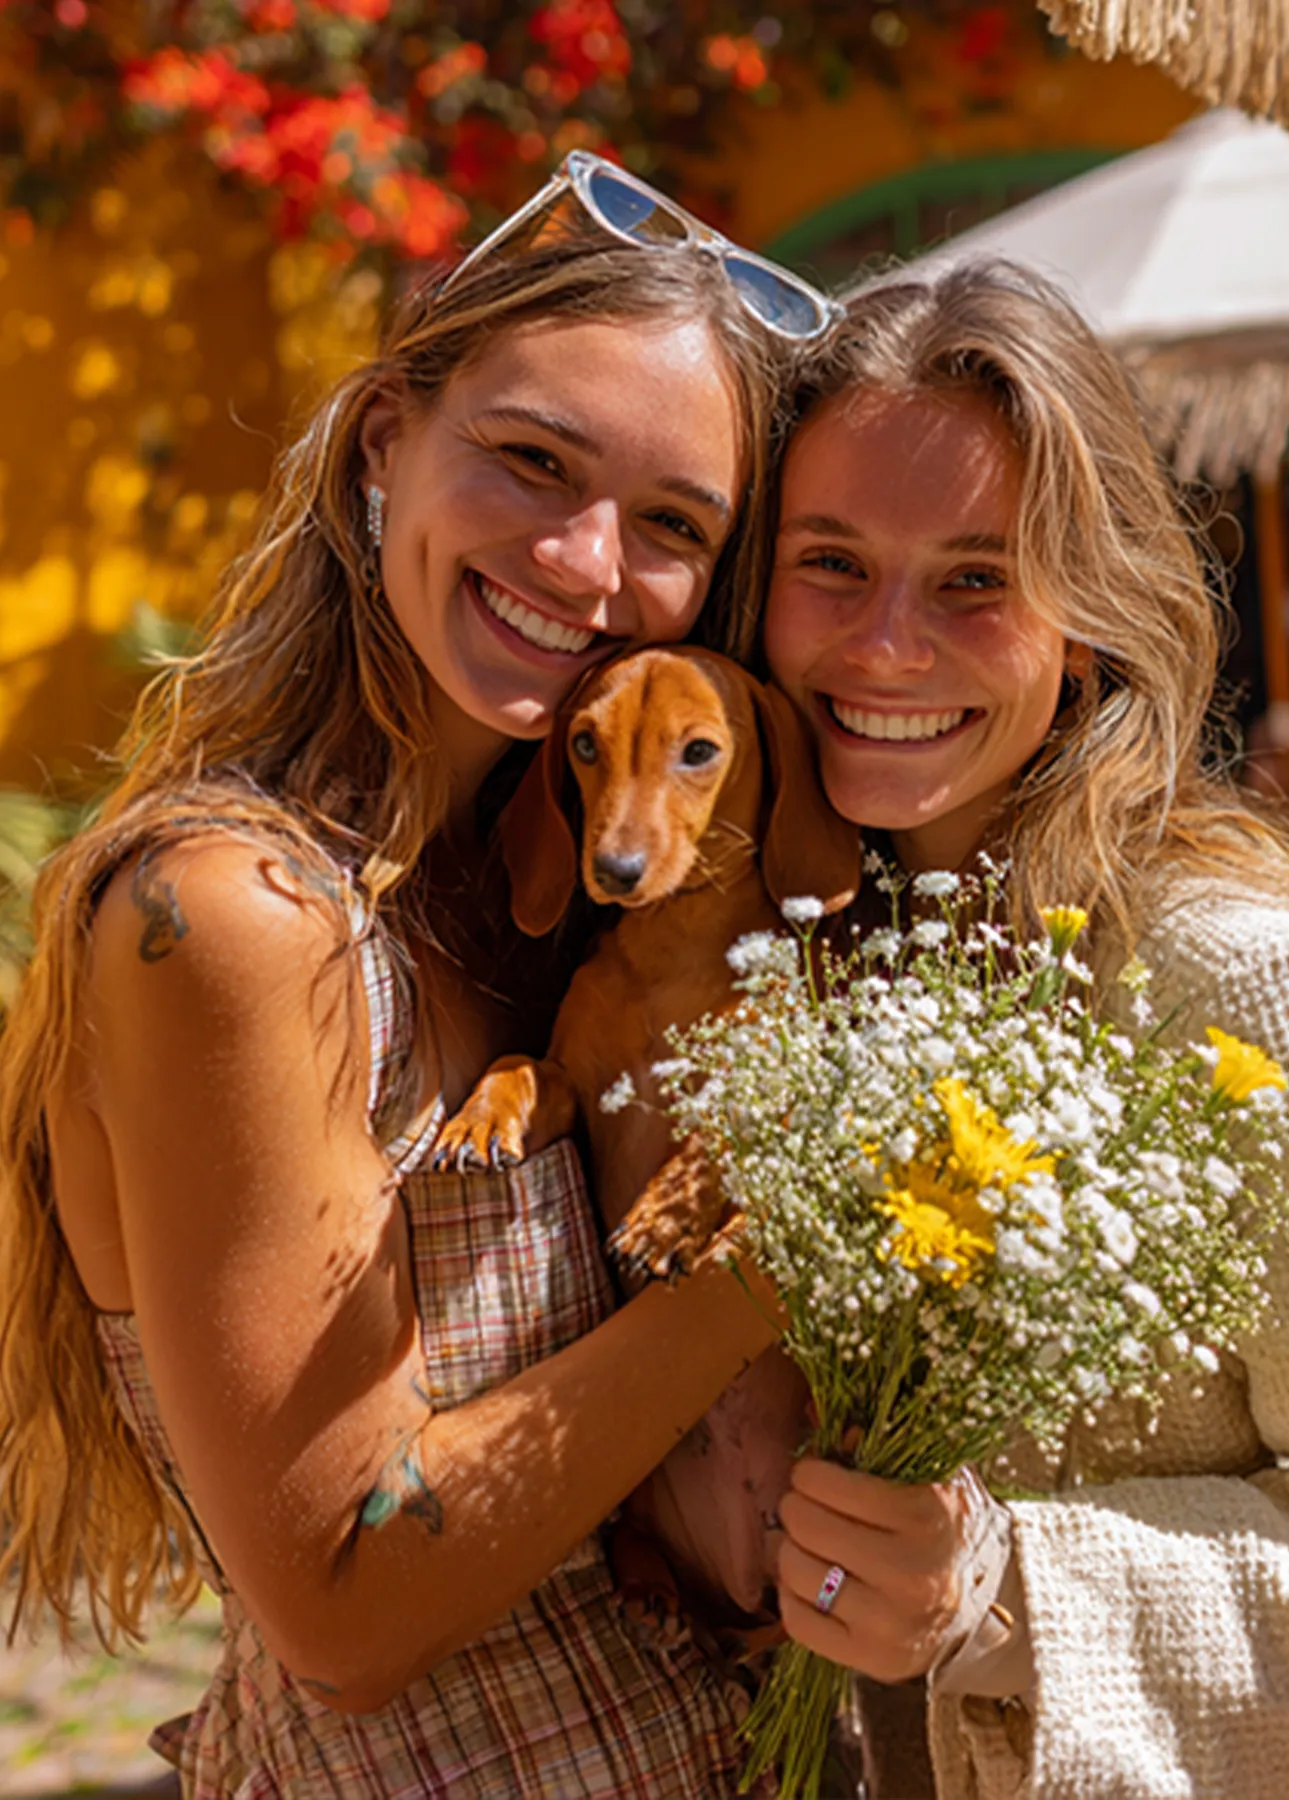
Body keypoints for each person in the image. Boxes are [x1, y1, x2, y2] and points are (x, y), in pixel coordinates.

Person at [0, 158, 842, 1798]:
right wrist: (794, 1239)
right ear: (388, 440)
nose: (590, 564)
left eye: (672, 525)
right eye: (533, 461)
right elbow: (347, 1611)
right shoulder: (233, 916)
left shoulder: (531, 905)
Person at [758, 262, 1289, 1799]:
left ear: (1089, 625)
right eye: (831, 565)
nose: (884, 644)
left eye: (976, 579)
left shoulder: (1240, 989)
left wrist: (1011, 1603)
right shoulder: (798, 972)